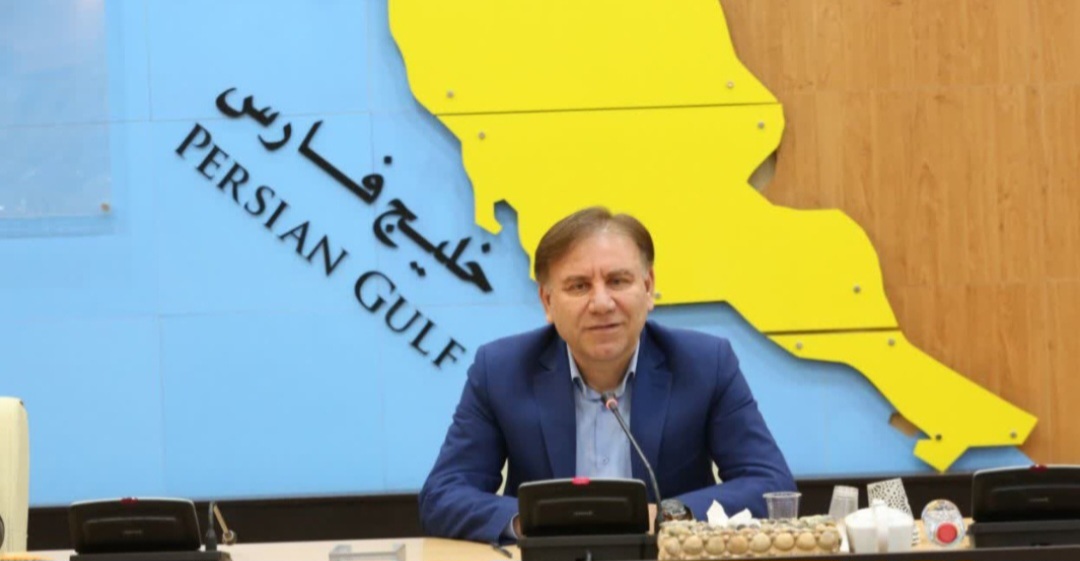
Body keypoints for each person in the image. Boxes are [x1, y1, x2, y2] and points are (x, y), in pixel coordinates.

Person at [418, 207, 795, 543]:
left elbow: (771, 484)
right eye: (579, 286)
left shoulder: (705, 364)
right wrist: (535, 521)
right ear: (547, 301)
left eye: (618, 281)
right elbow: (443, 494)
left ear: (648, 287)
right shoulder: (501, 369)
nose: (601, 303)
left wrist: (668, 515)